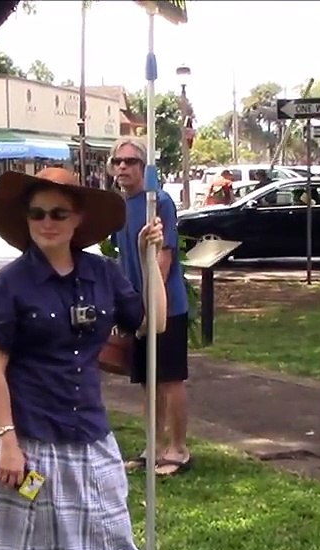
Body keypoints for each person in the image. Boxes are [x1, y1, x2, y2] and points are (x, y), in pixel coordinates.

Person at [0, 167, 220, 550]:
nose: (47, 222)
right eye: (38, 213)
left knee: (108, 533)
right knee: (35, 542)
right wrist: (7, 441)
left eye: (58, 213)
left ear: (78, 219)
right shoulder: (11, 283)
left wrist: (151, 261)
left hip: (87, 429)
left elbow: (150, 322)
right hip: (28, 434)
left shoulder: (102, 275)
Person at [108, 137, 193, 476]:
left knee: (170, 379)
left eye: (130, 161)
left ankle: (179, 449)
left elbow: (164, 258)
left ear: (143, 167)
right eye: (118, 162)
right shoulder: (119, 207)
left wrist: (151, 301)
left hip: (165, 307)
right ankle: (154, 446)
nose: (123, 167)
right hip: (137, 309)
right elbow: (120, 257)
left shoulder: (158, 203)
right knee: (148, 381)